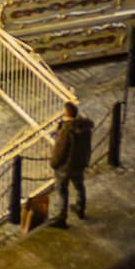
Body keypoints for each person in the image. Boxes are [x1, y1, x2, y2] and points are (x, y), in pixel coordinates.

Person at [49, 91, 94, 220]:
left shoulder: (67, 130)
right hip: (79, 163)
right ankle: (81, 207)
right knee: (79, 185)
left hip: (65, 166)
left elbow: (61, 149)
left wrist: (54, 163)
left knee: (62, 190)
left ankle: (61, 216)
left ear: (67, 113)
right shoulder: (85, 128)